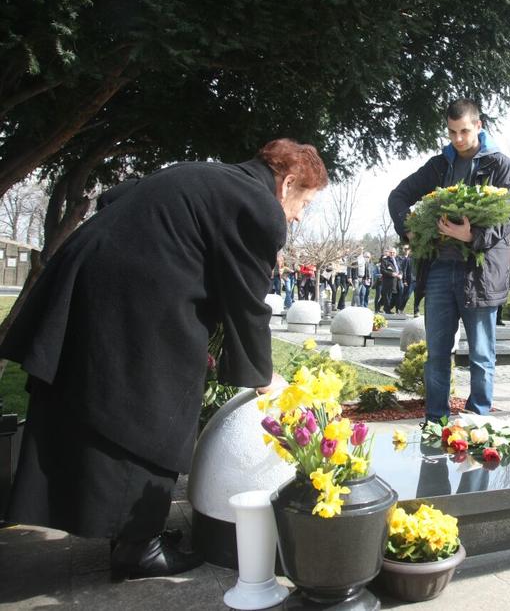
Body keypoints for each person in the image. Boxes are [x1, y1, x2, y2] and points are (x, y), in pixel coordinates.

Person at [0, 138, 326, 580]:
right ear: (287, 183)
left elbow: (120, 197)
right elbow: (247, 303)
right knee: (152, 406)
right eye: (303, 202)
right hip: (129, 293)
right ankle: (138, 548)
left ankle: (132, 531)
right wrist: (264, 377)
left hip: (99, 277)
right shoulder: (258, 204)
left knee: (111, 400)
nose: (298, 216)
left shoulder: (214, 176)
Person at [387, 98, 510, 423]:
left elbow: (509, 218)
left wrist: (471, 236)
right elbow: (398, 196)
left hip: (480, 273)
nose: (458, 139)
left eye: (464, 131)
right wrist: (409, 231)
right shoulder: (438, 165)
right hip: (440, 270)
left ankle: (478, 423)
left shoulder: (499, 165)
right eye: (452, 132)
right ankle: (436, 421)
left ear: (478, 126)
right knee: (437, 355)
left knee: (481, 354)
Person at [379, 247, 401, 314]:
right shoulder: (385, 260)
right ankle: (387, 310)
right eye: (391, 252)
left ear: (396, 253)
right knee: (387, 296)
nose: (392, 254)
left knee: (395, 297)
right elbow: (382, 270)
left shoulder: (397, 260)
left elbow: (401, 269)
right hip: (388, 282)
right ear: (389, 253)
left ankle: (393, 308)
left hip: (397, 281)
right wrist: (391, 274)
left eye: (393, 252)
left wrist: (401, 274)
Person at [396, 244, 414, 314]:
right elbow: (404, 270)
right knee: (406, 295)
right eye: (405, 249)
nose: (407, 250)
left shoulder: (413, 259)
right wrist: (404, 280)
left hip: (415, 280)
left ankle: (415, 311)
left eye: (408, 249)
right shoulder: (406, 259)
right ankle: (400, 309)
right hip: (408, 280)